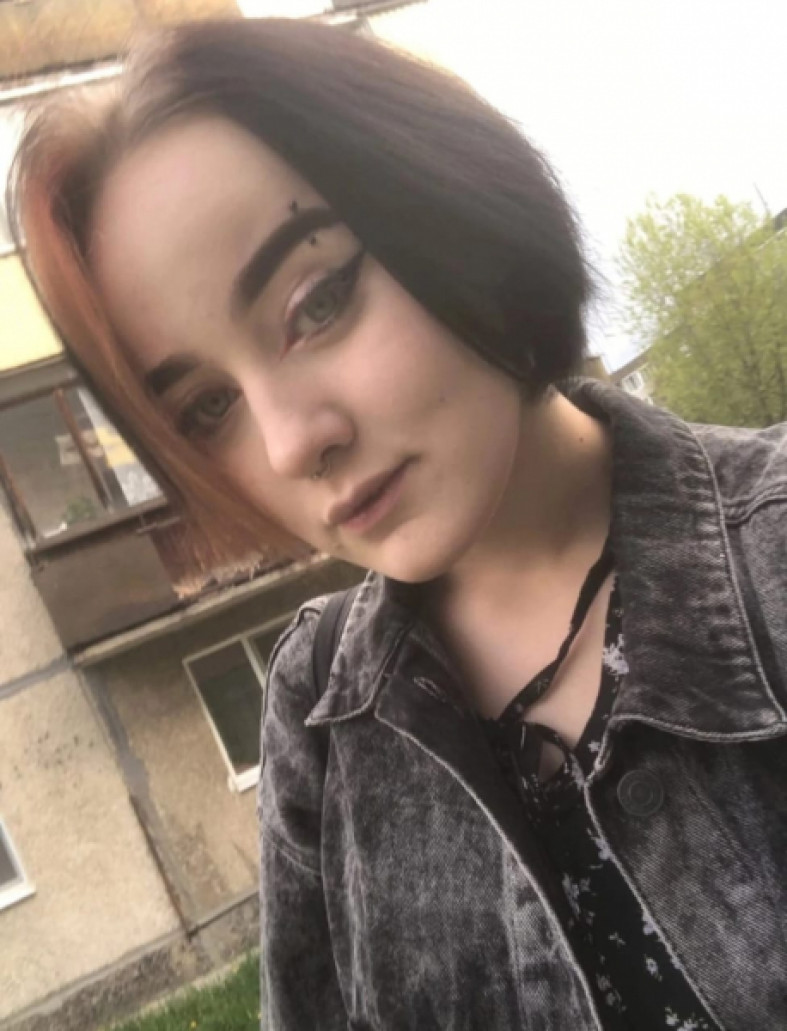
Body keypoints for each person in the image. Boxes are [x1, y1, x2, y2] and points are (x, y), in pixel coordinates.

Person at [11, 18, 787, 1031]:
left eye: (316, 302)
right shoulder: (315, 714)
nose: (289, 444)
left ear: (449, 204)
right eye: (207, 407)